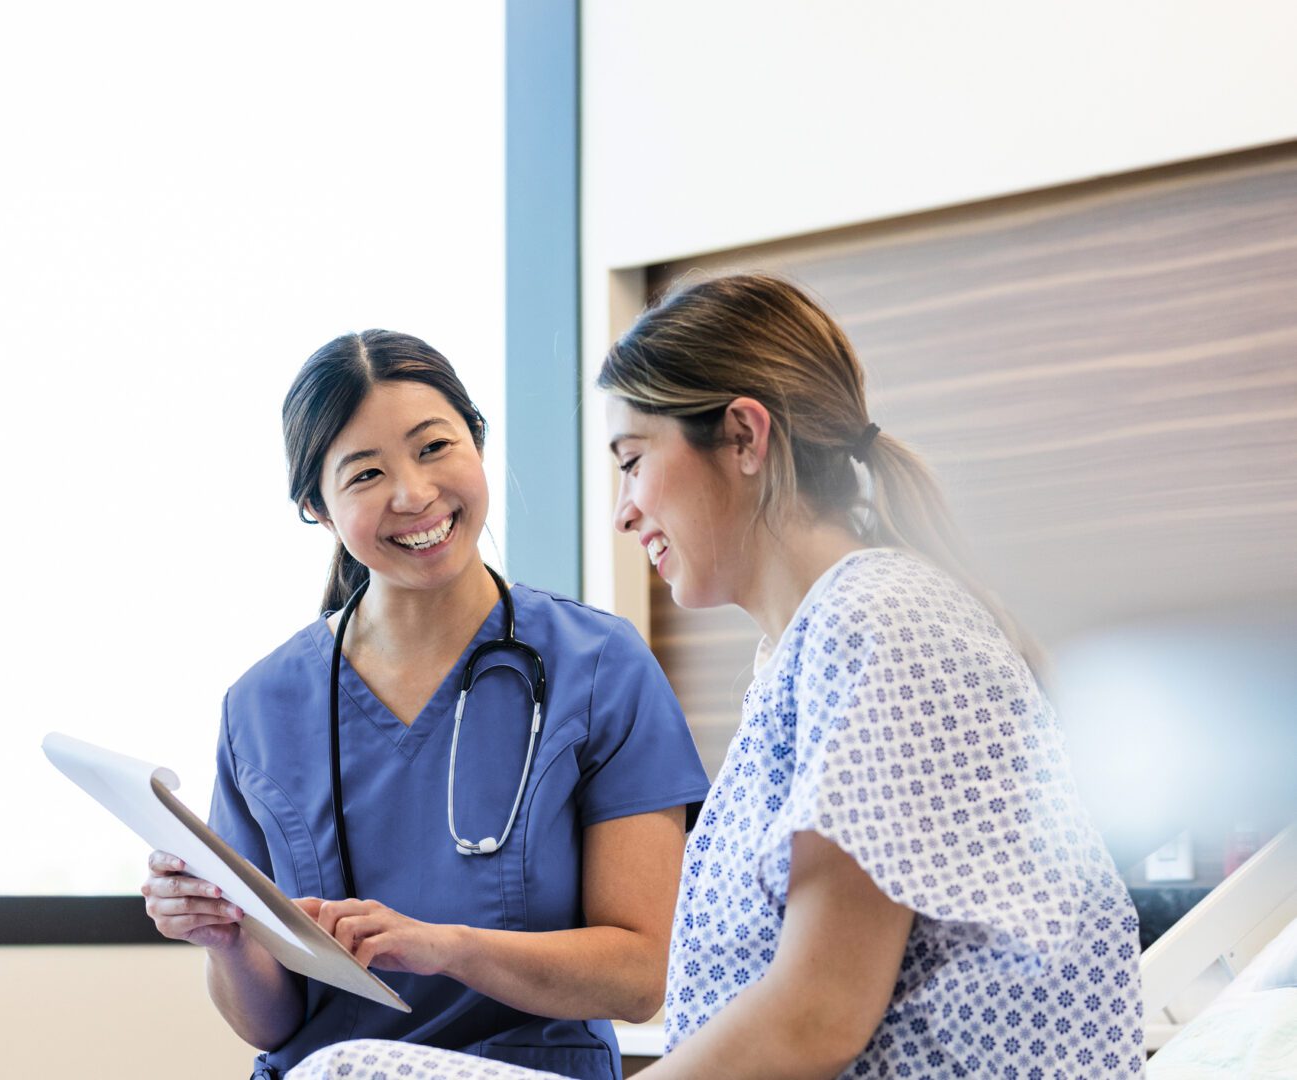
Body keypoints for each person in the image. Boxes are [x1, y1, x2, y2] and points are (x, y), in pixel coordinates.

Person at [291, 274, 1145, 1079]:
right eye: (363, 472)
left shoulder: (882, 619)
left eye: (632, 460)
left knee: (349, 1071)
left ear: (742, 435)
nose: (624, 507)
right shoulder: (802, 648)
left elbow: (818, 1012)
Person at [142, 329, 710, 1080]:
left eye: (434, 447)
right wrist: (225, 941)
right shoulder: (261, 707)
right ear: (317, 506)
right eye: (366, 472)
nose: (412, 494)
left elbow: (641, 976)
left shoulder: (598, 666)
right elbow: (271, 1023)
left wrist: (444, 947)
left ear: (476, 442)